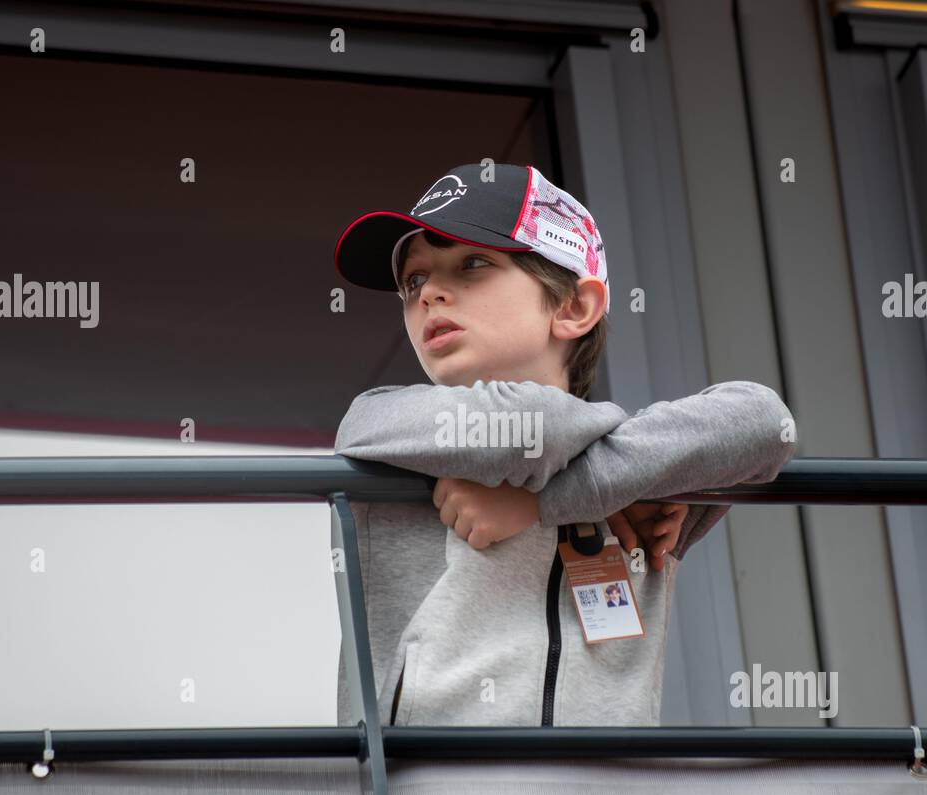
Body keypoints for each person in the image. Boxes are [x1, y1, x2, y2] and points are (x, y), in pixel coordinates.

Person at [333, 162, 794, 727]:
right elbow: (539, 424)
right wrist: (619, 481)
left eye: (473, 263)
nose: (430, 293)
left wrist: (549, 500)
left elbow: (767, 422)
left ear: (574, 307)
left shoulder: (633, 479)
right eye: (413, 281)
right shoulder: (385, 423)